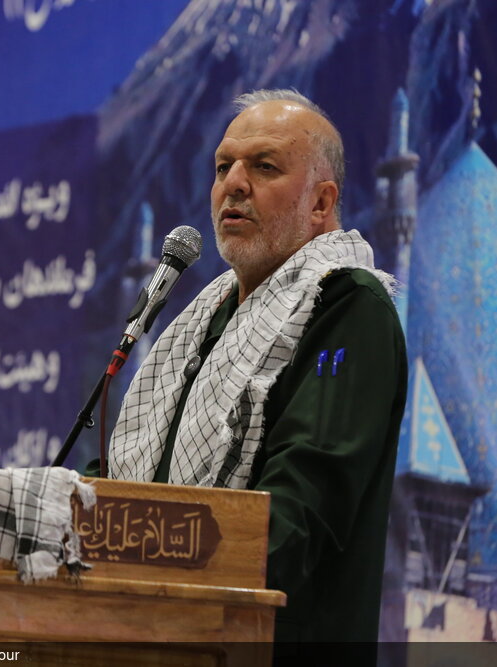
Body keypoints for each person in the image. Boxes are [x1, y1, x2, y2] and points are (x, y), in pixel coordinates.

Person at [93, 89, 408, 646]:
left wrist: (158, 587)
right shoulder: (201, 323)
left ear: (321, 203)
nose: (233, 184)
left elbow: (297, 513)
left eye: (264, 166)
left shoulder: (348, 308)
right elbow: (132, 480)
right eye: (223, 167)